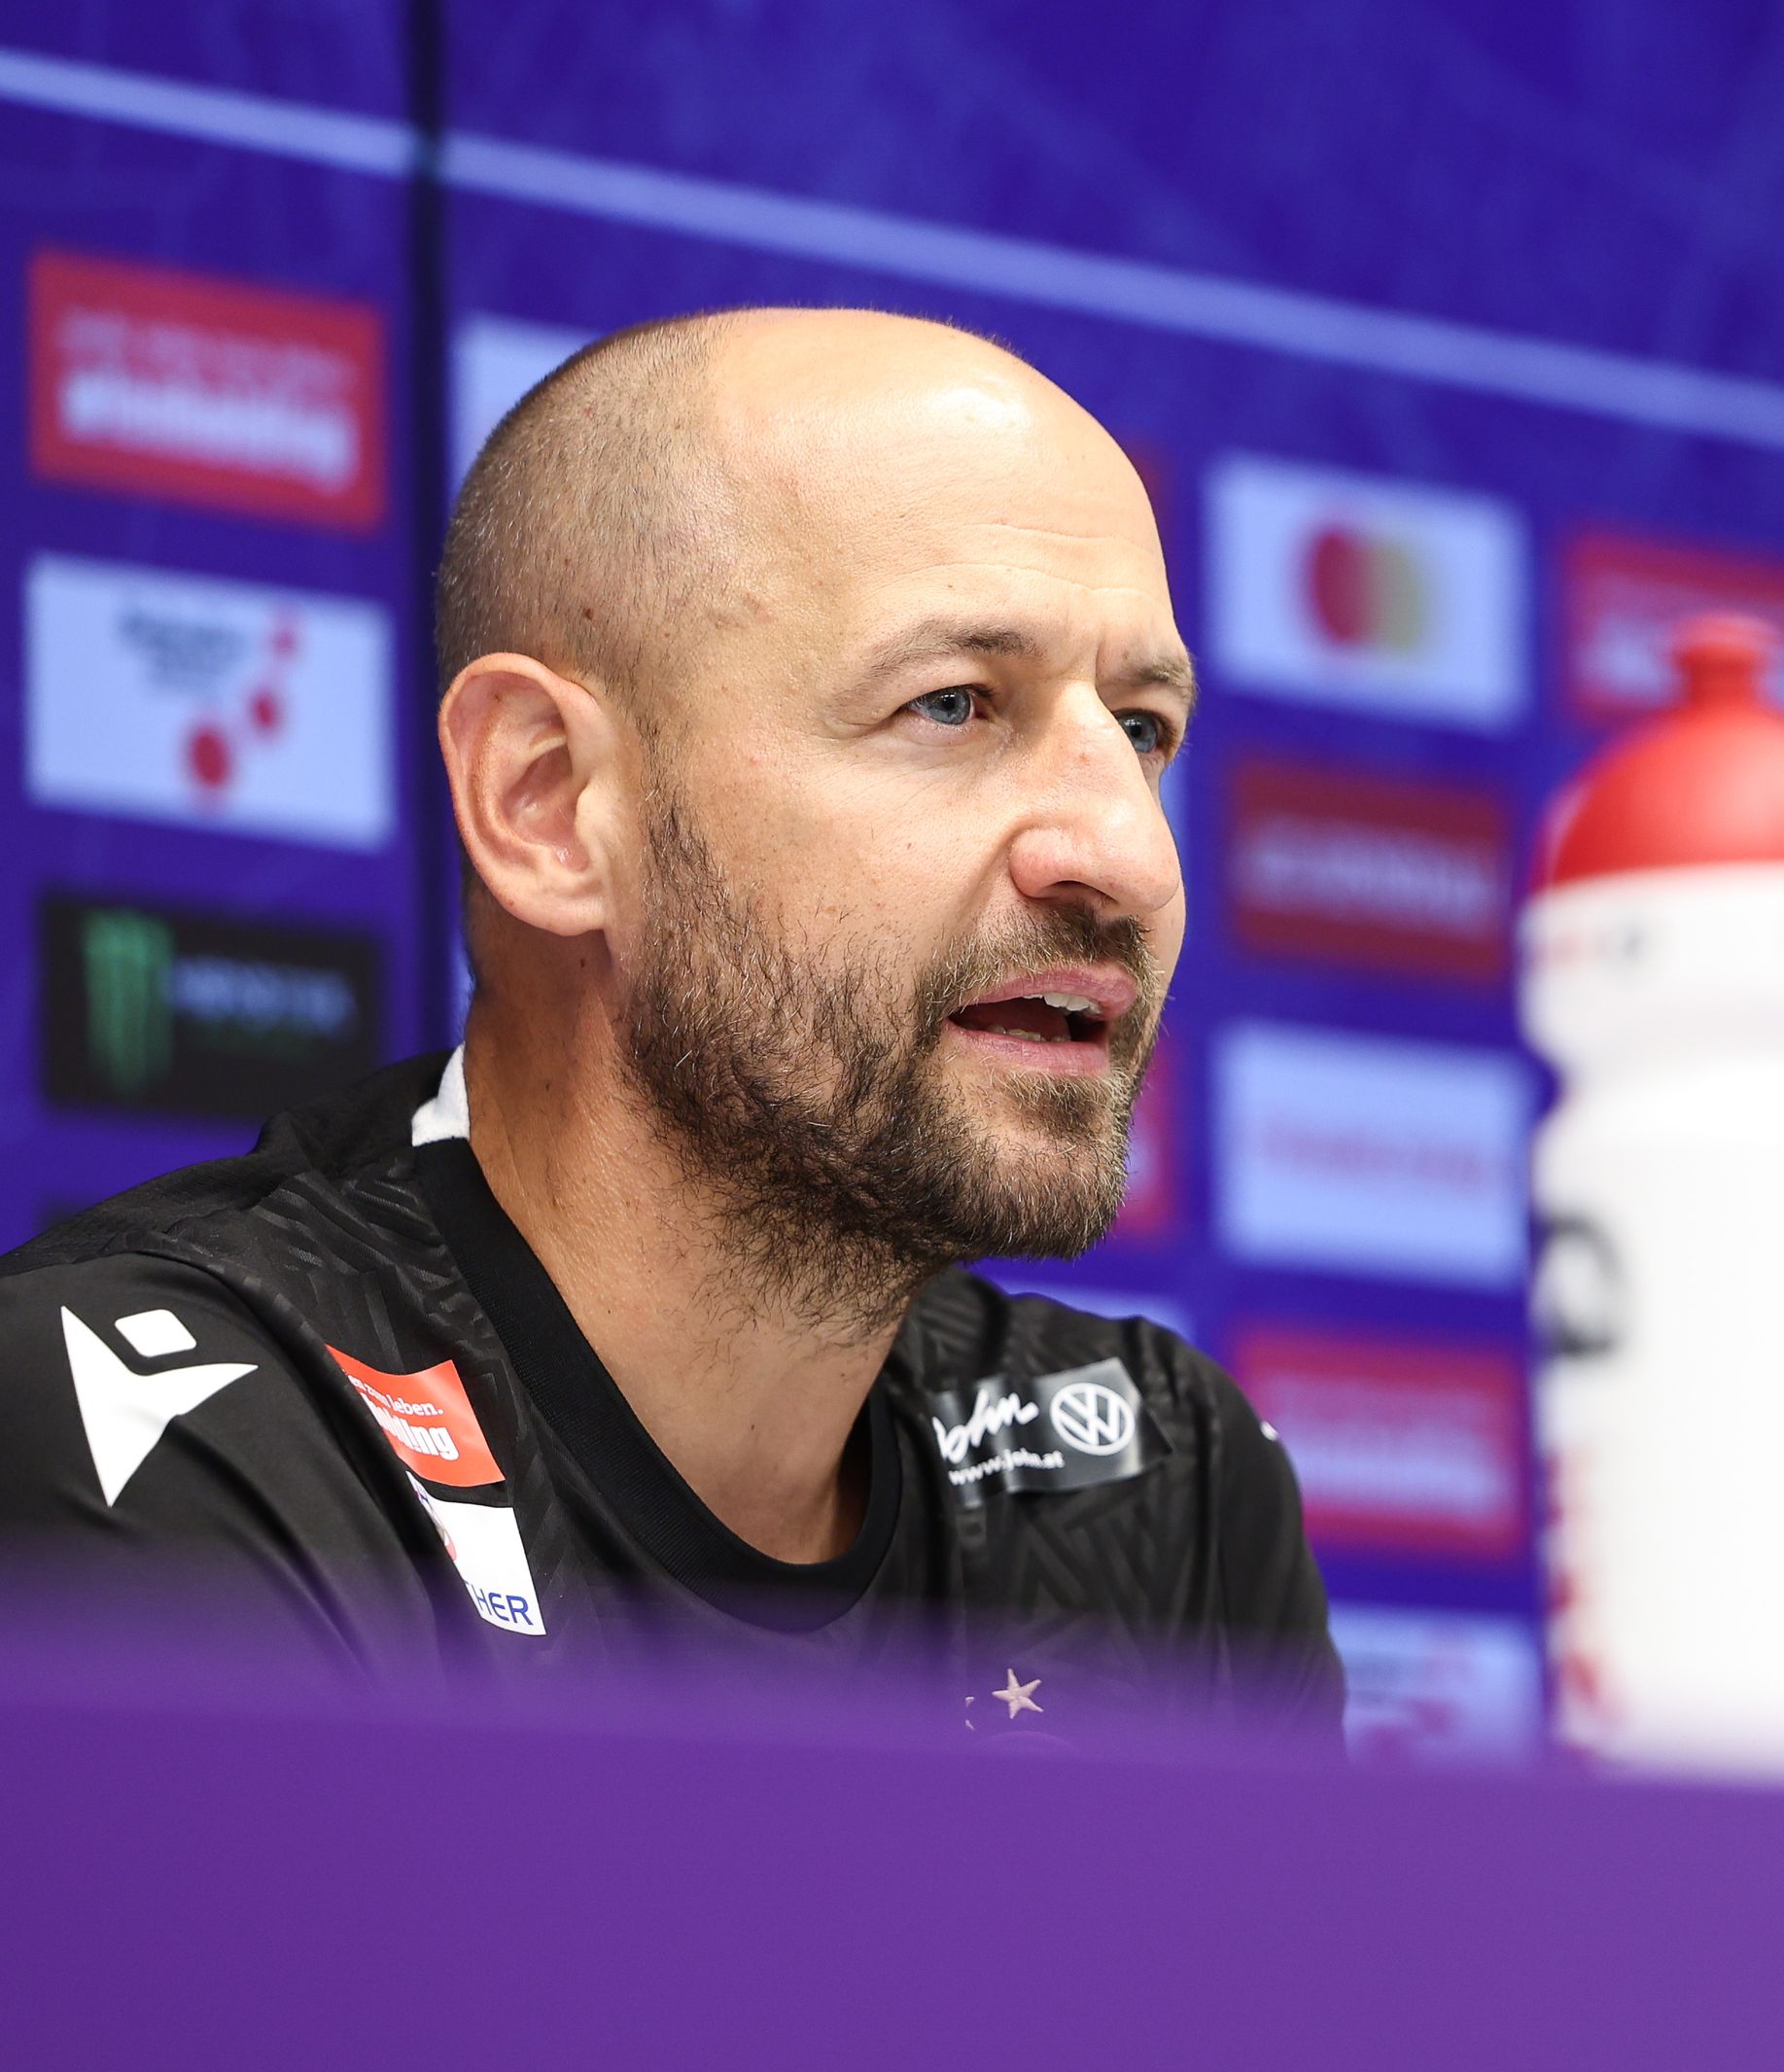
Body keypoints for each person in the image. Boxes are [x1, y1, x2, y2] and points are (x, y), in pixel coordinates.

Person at [0, 307, 1337, 1737]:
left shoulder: (1155, 1480)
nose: (1129, 855)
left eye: (1139, 728)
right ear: (547, 804)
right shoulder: (168, 1439)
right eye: (951, 704)